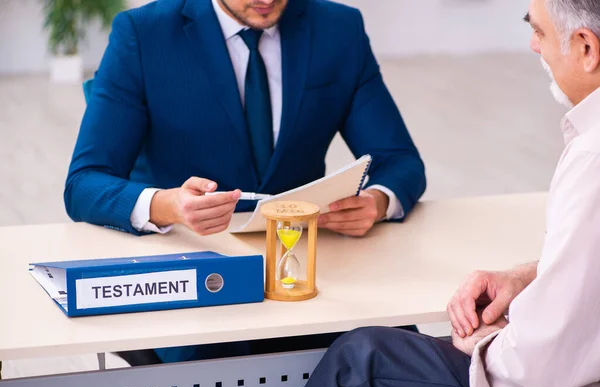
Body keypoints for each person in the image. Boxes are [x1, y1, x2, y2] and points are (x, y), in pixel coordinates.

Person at [63, 0, 426, 363]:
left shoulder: (339, 28)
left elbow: (399, 160)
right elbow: (84, 182)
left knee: (400, 358)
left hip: (309, 276)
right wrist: (167, 206)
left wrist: (377, 202)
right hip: (197, 285)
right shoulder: (143, 33)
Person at [298, 0, 600, 387]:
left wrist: (486, 343)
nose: (532, 45)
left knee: (361, 358)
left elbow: (533, 370)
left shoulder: (590, 157)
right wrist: (527, 277)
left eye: (540, 32)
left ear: (586, 48)